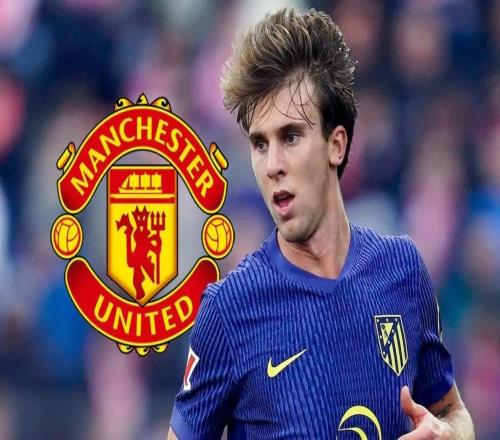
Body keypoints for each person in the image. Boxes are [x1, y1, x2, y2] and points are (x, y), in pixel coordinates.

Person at [168, 7, 475, 439]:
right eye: (260, 144)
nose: (272, 164)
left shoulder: (403, 270)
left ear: (336, 145)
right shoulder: (230, 308)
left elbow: (452, 411)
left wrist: (448, 434)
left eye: (290, 137)